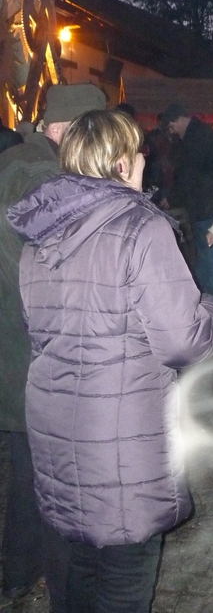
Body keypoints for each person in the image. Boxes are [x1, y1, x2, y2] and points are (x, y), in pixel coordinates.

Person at [6, 109, 213, 613]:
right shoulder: (141, 229)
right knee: (124, 578)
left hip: (55, 425)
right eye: (138, 152)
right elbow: (183, 341)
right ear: (122, 163)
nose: (145, 158)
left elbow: (35, 327)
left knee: (76, 570)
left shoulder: (40, 236)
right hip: (121, 436)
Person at [0, 82, 107, 609]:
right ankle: (51, 579)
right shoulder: (40, 177)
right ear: (66, 130)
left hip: (20, 348)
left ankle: (20, 570)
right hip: (31, 352)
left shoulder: (23, 162)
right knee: (51, 475)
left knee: (29, 466)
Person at [160, 101, 213, 300]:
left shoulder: (196, 137)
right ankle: (207, 291)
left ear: (178, 119)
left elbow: (189, 174)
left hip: (207, 202)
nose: (172, 131)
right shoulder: (200, 133)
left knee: (208, 247)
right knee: (206, 248)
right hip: (208, 200)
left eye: (171, 126)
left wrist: (174, 197)